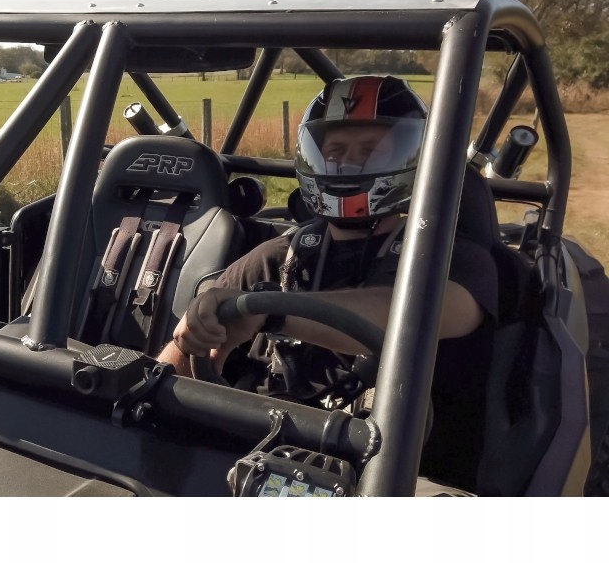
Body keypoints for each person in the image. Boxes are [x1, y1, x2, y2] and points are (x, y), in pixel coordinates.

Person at [157, 75, 499, 491]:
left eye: (369, 151)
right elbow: (173, 365)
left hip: (400, 479)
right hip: (260, 462)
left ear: (415, 156)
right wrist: (196, 337)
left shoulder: (455, 259)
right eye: (335, 151)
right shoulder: (279, 256)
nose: (348, 164)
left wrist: (270, 314)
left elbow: (416, 316)